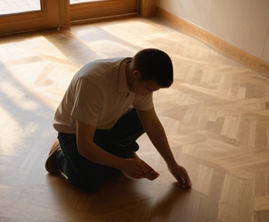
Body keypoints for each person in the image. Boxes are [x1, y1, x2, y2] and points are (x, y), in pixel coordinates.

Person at [45, 48, 192, 191]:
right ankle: (59, 155)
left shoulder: (139, 76)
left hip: (107, 125)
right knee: (90, 181)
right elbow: (84, 145)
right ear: (136, 74)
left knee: (143, 118)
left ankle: (111, 152)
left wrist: (172, 164)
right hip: (75, 132)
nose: (149, 93)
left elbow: (151, 123)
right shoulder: (92, 82)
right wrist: (123, 164)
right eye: (148, 89)